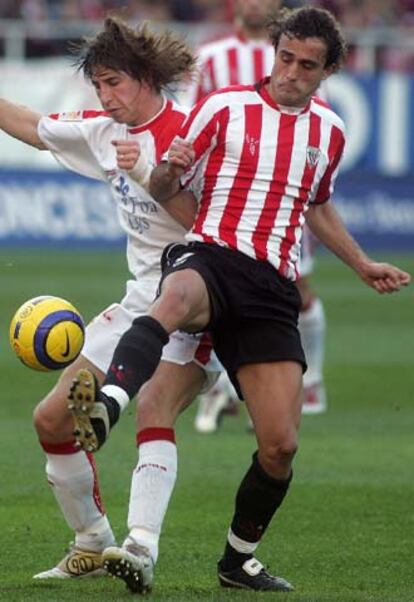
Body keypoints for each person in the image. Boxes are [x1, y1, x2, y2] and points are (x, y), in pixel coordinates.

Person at [70, 6, 410, 593]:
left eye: (307, 66)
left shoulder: (329, 131)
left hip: (272, 285)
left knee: (280, 446)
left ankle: (237, 559)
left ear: (327, 71)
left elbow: (318, 204)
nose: (291, 74)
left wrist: (360, 264)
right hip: (211, 252)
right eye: (285, 58)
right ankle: (110, 403)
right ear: (274, 51)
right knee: (173, 294)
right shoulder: (224, 106)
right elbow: (163, 185)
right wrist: (164, 171)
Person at [0, 17, 223, 581]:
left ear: (147, 78)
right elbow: (30, 124)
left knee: (153, 409)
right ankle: (93, 542)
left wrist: (150, 174)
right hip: (137, 303)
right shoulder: (102, 130)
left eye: (114, 82)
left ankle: (140, 548)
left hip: (197, 302)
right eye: (98, 84)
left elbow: (210, 226)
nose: (105, 95)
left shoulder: (191, 134)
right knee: (51, 419)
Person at [185, 0, 330, 434]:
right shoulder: (212, 58)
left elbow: (312, 123)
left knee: (296, 290)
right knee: (211, 297)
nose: (255, 4)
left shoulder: (302, 62)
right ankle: (223, 388)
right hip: (226, 198)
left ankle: (311, 382)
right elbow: (193, 124)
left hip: (282, 196)